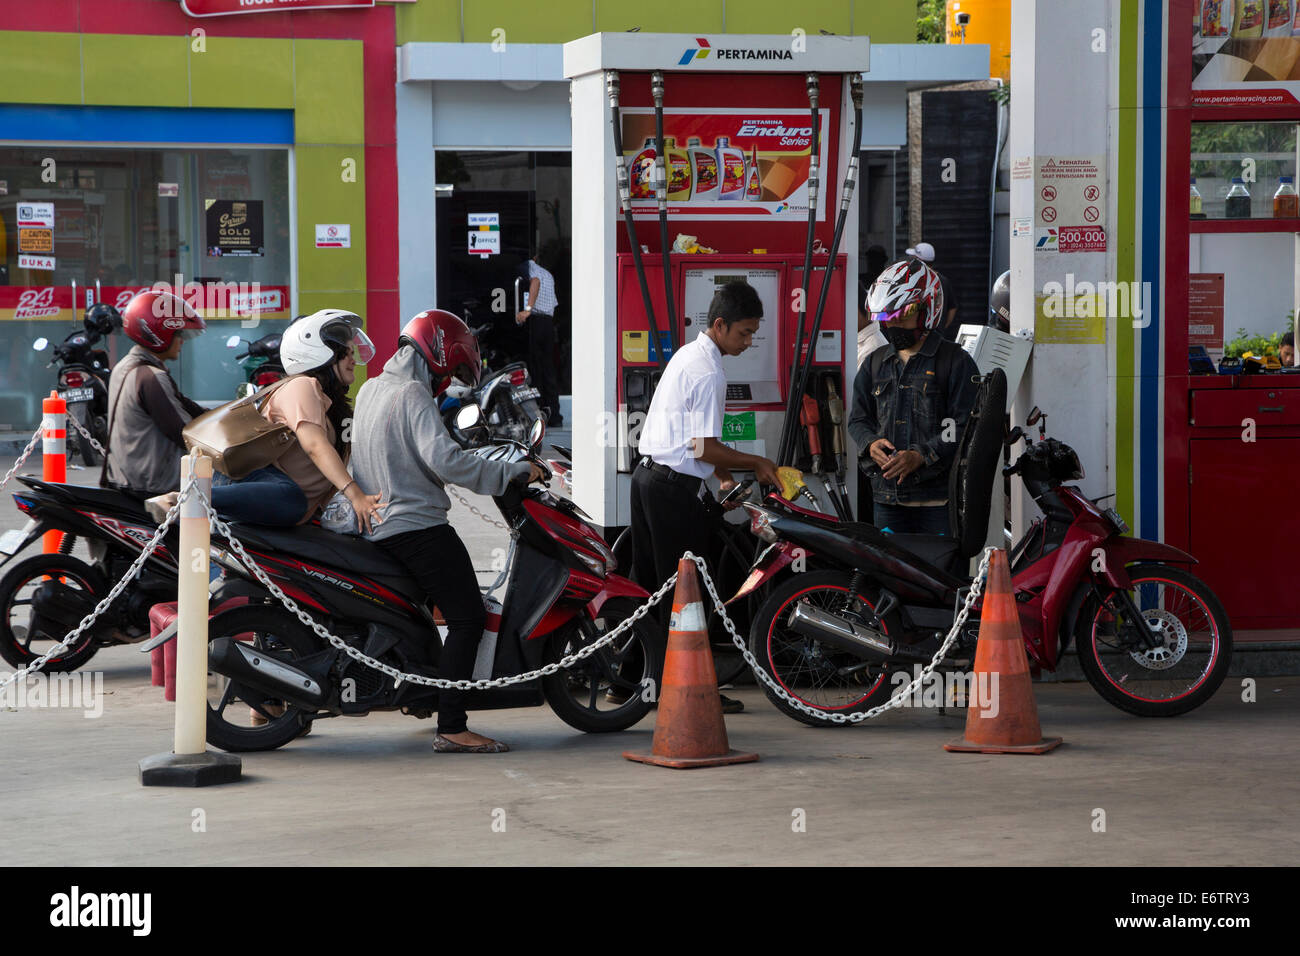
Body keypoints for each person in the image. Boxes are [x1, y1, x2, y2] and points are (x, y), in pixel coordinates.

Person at [350, 309, 544, 754]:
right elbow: (446, 462)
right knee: (468, 617)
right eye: (453, 368)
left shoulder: (372, 388)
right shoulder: (412, 393)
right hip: (415, 526)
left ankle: (430, 696)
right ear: (439, 353)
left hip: (378, 524)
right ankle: (453, 726)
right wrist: (513, 473)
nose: (450, 380)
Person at [631, 280, 781, 714]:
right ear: (719, 324)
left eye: (754, 333)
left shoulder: (688, 355)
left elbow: (695, 443)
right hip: (670, 490)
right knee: (685, 590)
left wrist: (722, 476)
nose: (750, 342)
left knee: (652, 587)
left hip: (649, 481)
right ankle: (689, 689)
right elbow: (701, 446)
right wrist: (755, 463)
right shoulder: (709, 370)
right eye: (744, 333)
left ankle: (634, 684)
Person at [147, 310, 386, 530]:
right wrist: (356, 495)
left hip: (286, 506)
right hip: (255, 481)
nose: (354, 361)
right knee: (291, 498)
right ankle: (181, 498)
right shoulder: (303, 385)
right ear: (322, 354)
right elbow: (315, 446)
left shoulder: (333, 406)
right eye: (348, 354)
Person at [849, 259, 980, 536]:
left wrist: (920, 456)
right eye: (886, 317)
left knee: (939, 578)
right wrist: (870, 443)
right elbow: (858, 419)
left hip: (938, 503)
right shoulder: (874, 364)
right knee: (890, 576)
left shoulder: (956, 362)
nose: (893, 324)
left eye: (902, 315)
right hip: (886, 499)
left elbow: (962, 426)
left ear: (927, 310)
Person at [102, 289, 207, 498]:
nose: (183, 341)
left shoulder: (126, 367)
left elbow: (185, 405)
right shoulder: (151, 376)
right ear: (159, 334)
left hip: (125, 476)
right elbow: (185, 433)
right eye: (179, 334)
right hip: (153, 484)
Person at [516, 248, 563, 427]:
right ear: (536, 256)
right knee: (548, 369)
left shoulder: (528, 267)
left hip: (535, 322)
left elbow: (534, 281)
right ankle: (554, 415)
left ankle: (537, 414)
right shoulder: (549, 275)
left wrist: (526, 310)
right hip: (548, 323)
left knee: (534, 369)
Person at [906, 241, 961, 340]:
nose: (911, 262)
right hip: (937, 337)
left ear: (919, 260)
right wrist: (942, 327)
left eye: (913, 259)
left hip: (920, 337)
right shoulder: (943, 281)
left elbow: (952, 307)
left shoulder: (914, 281)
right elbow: (953, 308)